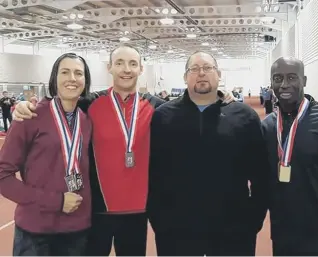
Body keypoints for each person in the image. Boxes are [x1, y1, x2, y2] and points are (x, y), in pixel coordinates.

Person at [11, 44, 235, 256]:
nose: (126, 69)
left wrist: (222, 97)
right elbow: (58, 104)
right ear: (110, 67)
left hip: (137, 214)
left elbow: (193, 104)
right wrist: (24, 106)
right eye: (119, 63)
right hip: (97, 212)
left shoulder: (159, 107)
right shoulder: (89, 103)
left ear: (141, 68)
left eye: (132, 64)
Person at [147, 51, 270, 256]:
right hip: (176, 230)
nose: (201, 73)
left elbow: (260, 174)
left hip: (233, 228)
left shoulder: (244, 116)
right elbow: (153, 172)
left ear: (219, 74)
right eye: (194, 69)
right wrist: (158, 219)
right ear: (185, 77)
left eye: (207, 68)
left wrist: (252, 220)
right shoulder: (163, 116)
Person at [0, 53, 92, 255]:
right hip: (35, 233)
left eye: (78, 73)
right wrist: (56, 201)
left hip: (77, 231)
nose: (72, 78)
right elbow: (3, 176)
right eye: (65, 72)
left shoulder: (87, 120)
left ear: (85, 81)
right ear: (54, 78)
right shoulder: (31, 116)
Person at [261, 57, 318, 256]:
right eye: (278, 78)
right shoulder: (267, 127)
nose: (284, 84)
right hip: (283, 234)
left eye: (292, 77)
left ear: (304, 80)